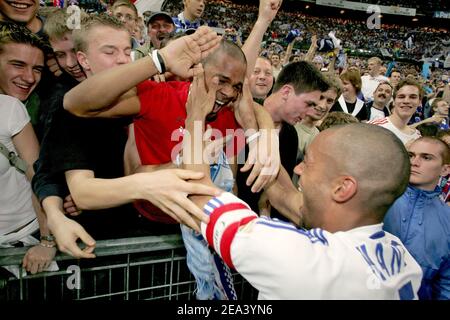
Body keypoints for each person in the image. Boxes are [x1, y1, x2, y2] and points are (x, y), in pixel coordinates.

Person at [182, 71, 422, 299]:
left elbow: (201, 201)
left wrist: (195, 117)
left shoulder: (305, 260)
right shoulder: (402, 259)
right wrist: (258, 135)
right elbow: (285, 194)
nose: (297, 169)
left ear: (342, 188)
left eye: (308, 163)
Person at [37, 16, 222, 259]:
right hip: (99, 244)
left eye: (126, 51)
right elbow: (76, 188)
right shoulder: (69, 109)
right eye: (109, 52)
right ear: (84, 60)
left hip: (148, 233)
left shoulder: (145, 91)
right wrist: (55, 215)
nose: (122, 59)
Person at [0, 23, 57, 275]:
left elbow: (38, 175)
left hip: (24, 241)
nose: (30, 77)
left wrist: (48, 241)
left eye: (37, 69)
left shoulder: (11, 108)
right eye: (18, 65)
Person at [384, 137, 450, 300]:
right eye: (411, 155)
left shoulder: (447, 219)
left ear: (444, 170)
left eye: (426, 157)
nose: (414, 162)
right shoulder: (377, 197)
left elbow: (446, 282)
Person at [369, 79, 422, 145]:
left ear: (419, 102)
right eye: (401, 97)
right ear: (393, 101)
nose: (406, 101)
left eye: (412, 97)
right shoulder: (375, 127)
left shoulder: (417, 136)